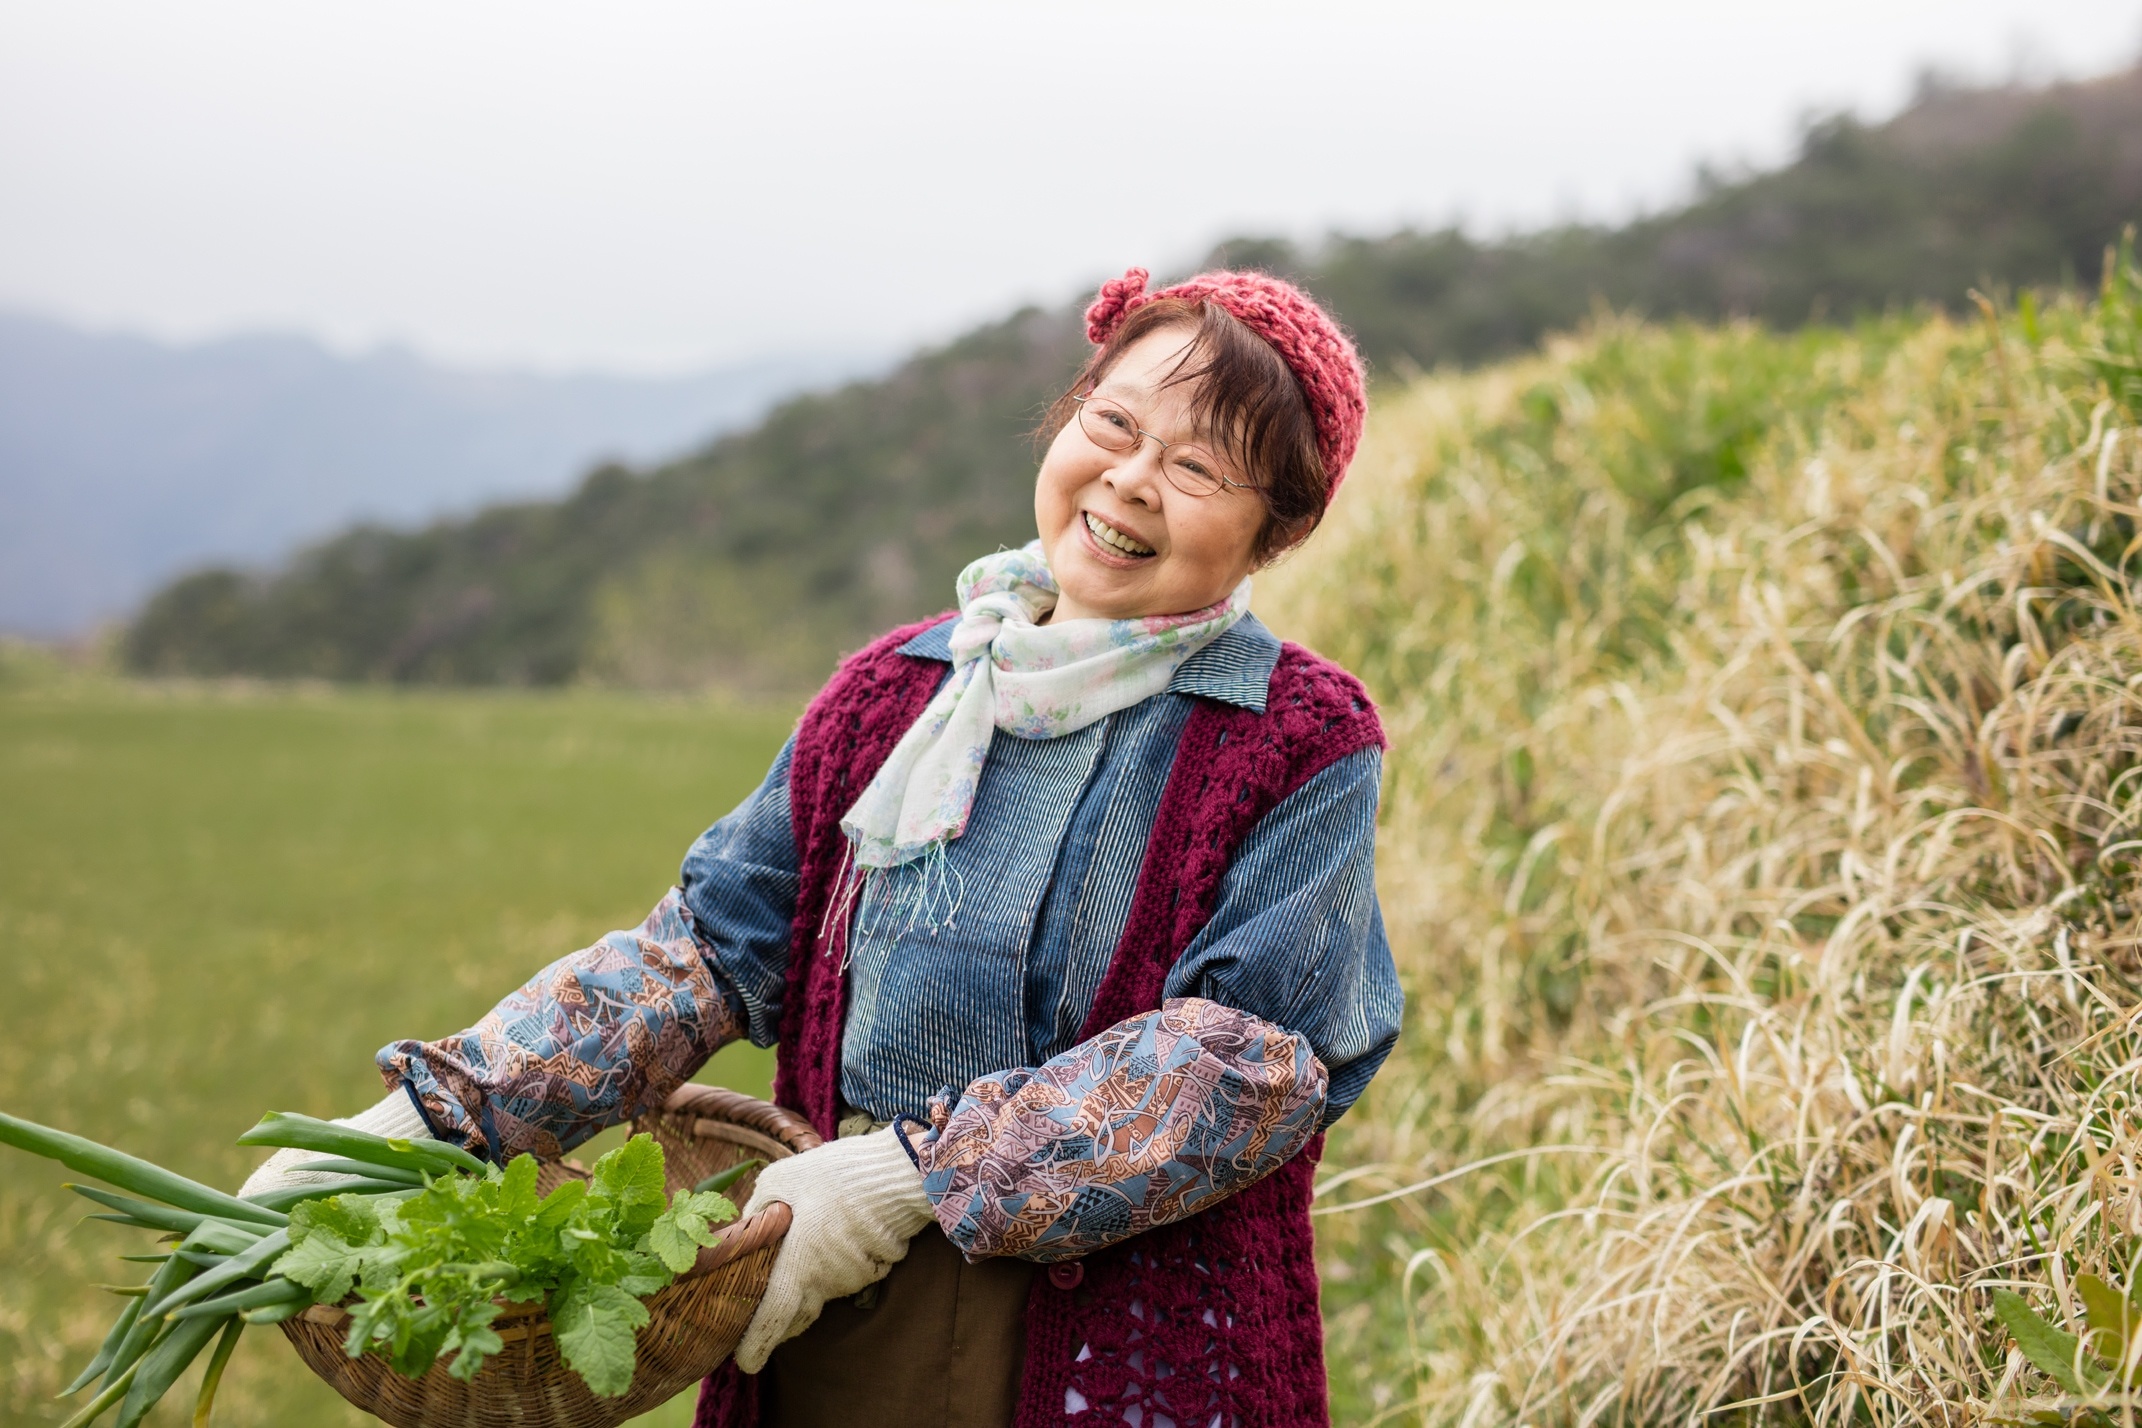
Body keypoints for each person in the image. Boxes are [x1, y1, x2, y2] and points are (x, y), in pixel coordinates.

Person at [244, 266, 1403, 1428]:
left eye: (1197, 468)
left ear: (1278, 528)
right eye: (1114, 423)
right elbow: (707, 949)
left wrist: (908, 1178)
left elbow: (1247, 1065)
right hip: (824, 1299)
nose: (1131, 481)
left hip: (1120, 1340)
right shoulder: (893, 690)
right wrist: (438, 1121)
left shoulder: (1297, 742)